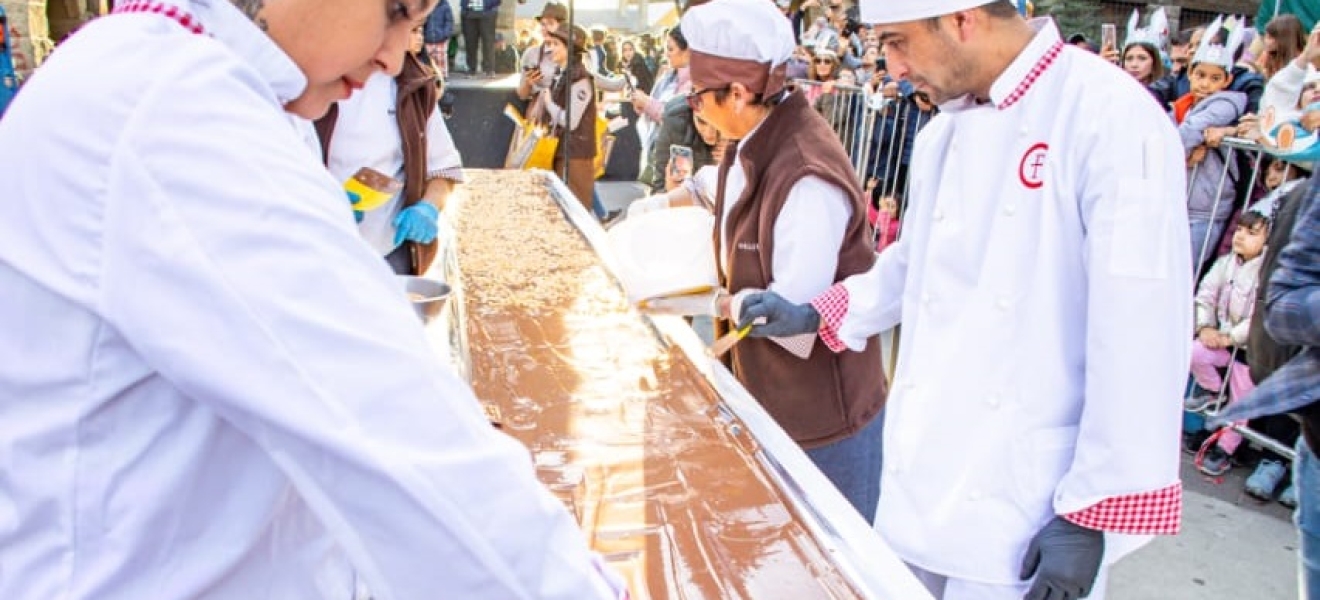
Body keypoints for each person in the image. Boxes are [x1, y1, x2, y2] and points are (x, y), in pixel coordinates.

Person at [0, 0, 629, 597]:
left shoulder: (193, 83)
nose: (391, 56)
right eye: (393, 14)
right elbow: (400, 439)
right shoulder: (178, 113)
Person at [738, 1, 1191, 598]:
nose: (894, 68)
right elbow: (913, 261)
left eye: (898, 43)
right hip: (924, 479)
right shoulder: (944, 131)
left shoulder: (1110, 116)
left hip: (1025, 506)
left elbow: (1142, 326)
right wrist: (818, 311)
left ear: (962, 20)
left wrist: (1092, 511)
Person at [631, 0, 888, 523]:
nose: (693, 105)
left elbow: (793, 321)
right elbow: (721, 185)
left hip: (820, 420)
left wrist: (703, 296)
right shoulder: (757, 133)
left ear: (740, 93)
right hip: (766, 399)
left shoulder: (807, 176)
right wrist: (657, 206)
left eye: (699, 94)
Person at [318, 24, 463, 276]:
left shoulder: (415, 85)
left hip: (389, 253)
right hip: (321, 253)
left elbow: (444, 170)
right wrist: (319, 202)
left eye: (416, 28)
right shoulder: (313, 78)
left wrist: (427, 207)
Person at [1185, 210, 1268, 476]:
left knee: (1242, 398)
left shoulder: (1267, 273)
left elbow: (1259, 314)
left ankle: (1226, 449)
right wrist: (1205, 326)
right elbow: (1205, 296)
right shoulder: (1225, 263)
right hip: (1220, 341)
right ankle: (1214, 394)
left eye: (1251, 233)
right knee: (1193, 353)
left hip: (1249, 350)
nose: (1241, 237)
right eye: (1240, 230)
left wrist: (1230, 337)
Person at [1173, 15, 1248, 271]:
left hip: (1207, 206)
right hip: (1179, 201)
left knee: (1186, 270)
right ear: (1190, 74)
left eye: (1215, 78)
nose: (1205, 83)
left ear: (1227, 81)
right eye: (1200, 75)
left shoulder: (1225, 105)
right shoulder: (1183, 105)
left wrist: (1178, 155)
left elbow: (1186, 133)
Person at [537, 24, 598, 211]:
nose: (551, 49)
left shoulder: (579, 78)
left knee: (576, 210)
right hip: (564, 151)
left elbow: (570, 121)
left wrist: (548, 104)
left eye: (556, 44)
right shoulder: (563, 74)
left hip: (576, 154)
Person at [460, 0, 500, 75]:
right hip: (469, 11)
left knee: (488, 41)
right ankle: (471, 68)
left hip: (488, 10)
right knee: (470, 42)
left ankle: (489, 69)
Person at [423, 0, 455, 78]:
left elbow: (449, 21)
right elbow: (421, 21)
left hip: (441, 39)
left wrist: (445, 34)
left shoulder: (444, 5)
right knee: (427, 61)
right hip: (428, 39)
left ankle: (443, 78)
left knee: (441, 60)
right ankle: (430, 78)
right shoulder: (424, 6)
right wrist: (423, 35)